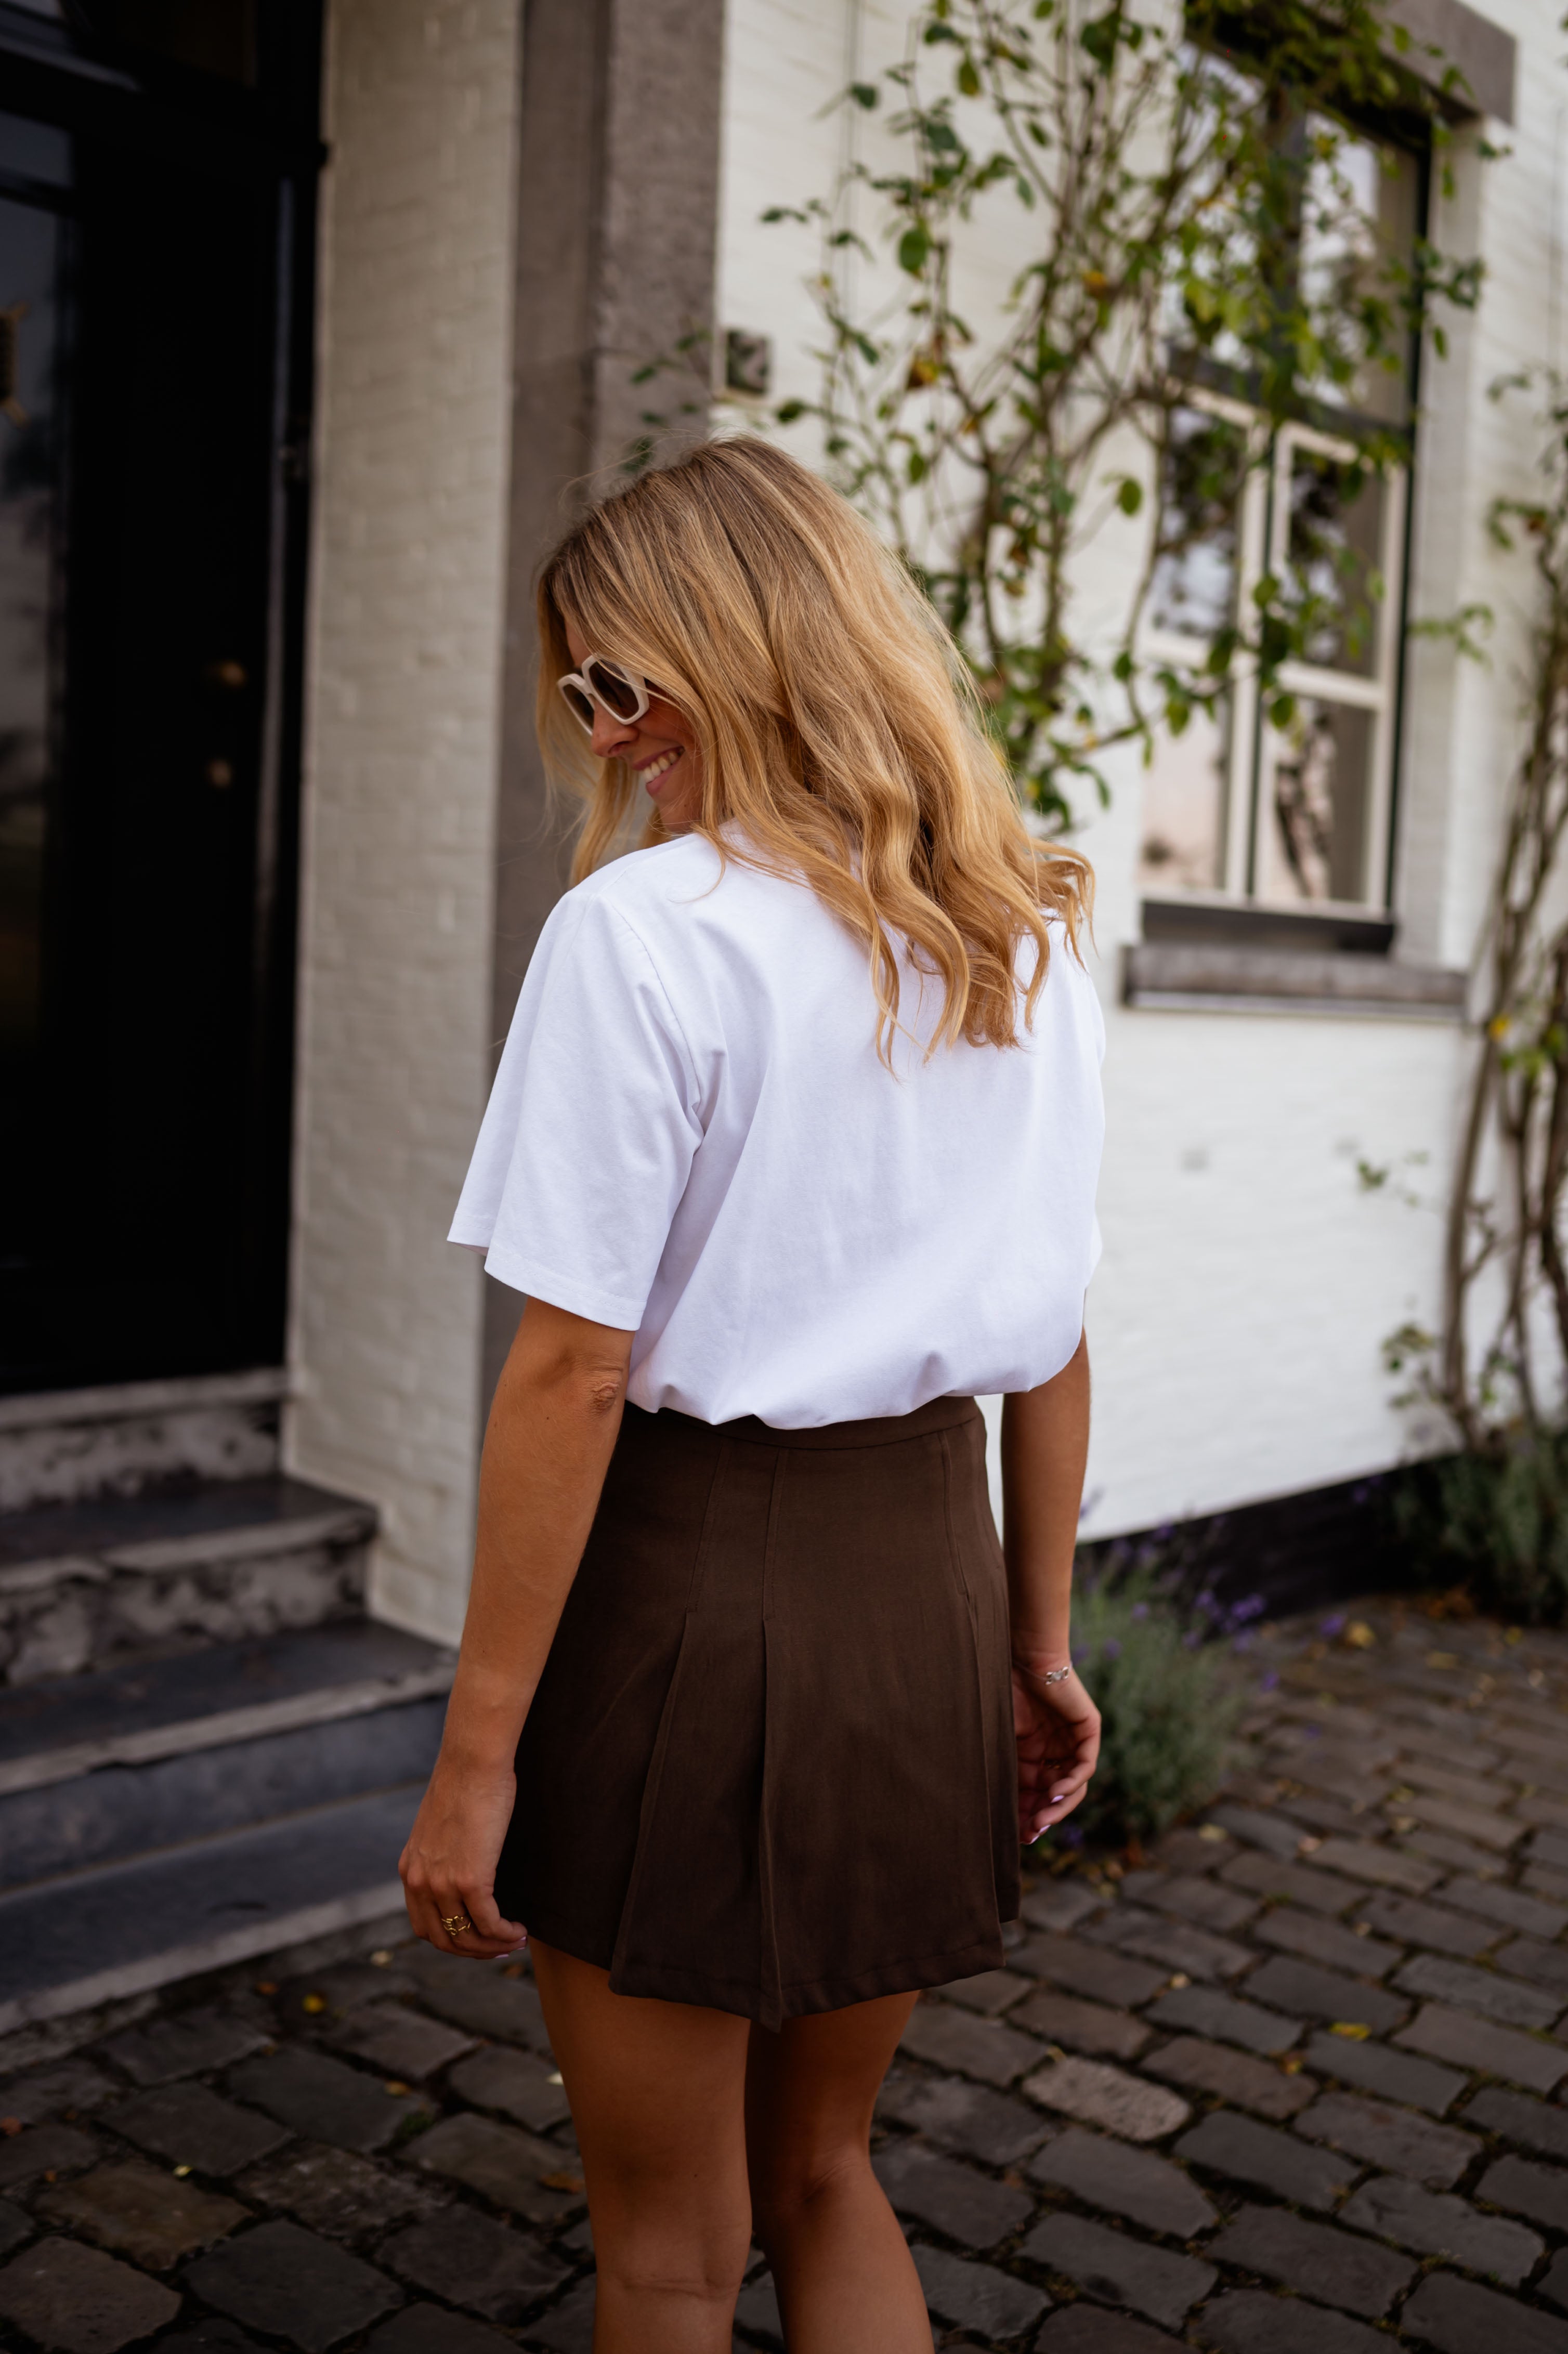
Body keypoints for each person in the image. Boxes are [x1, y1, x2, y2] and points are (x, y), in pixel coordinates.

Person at [399, 437, 1105, 2354]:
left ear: (739, 650)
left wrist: (478, 1761)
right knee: (826, 2174)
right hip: (928, 1603)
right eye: (581, 697)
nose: (607, 737)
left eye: (621, 684)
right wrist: (1033, 1647)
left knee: (670, 2251)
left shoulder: (646, 937)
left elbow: (571, 1371)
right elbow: (1052, 1334)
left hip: (695, 1594)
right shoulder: (1022, 926)